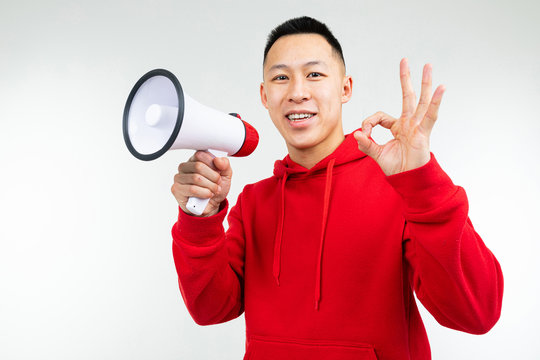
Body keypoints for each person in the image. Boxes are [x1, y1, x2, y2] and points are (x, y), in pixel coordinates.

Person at [170, 16, 503, 360]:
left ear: (345, 88)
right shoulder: (254, 202)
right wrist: (200, 218)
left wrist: (422, 181)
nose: (297, 92)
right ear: (264, 95)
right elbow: (209, 309)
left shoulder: (399, 189)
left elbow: (477, 313)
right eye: (281, 77)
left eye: (314, 74)